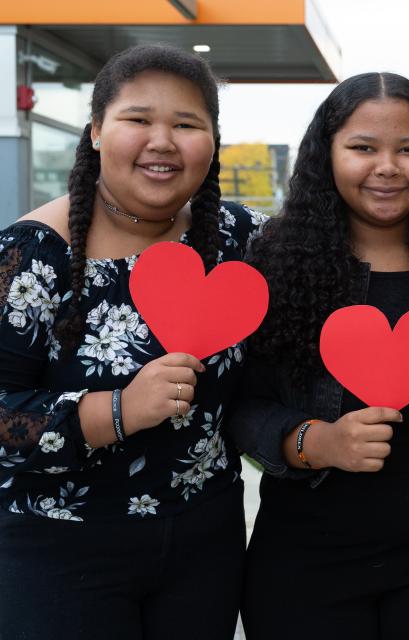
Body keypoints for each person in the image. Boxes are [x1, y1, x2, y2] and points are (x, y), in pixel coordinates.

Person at [227, 72, 409, 639]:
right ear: (325, 154)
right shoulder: (276, 266)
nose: (387, 166)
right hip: (307, 565)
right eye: (362, 148)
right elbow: (239, 405)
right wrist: (311, 442)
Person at [0, 45, 266, 639]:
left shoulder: (242, 240)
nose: (163, 141)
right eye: (138, 119)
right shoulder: (29, 255)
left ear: (213, 142)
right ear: (96, 131)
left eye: (187, 124)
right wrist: (114, 411)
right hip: (59, 551)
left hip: (206, 546)